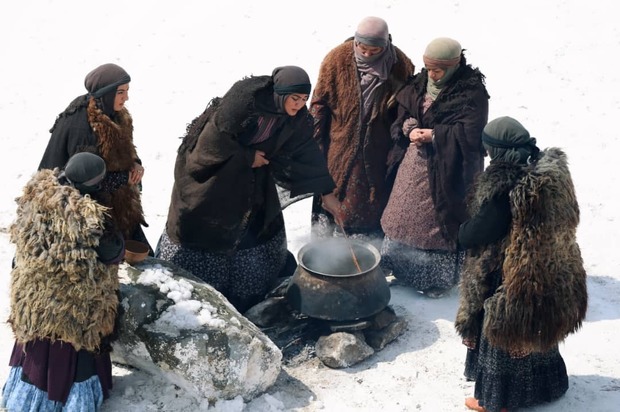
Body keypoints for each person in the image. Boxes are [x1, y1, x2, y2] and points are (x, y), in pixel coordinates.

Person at [156, 65, 343, 313]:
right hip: (213, 179)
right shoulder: (243, 104)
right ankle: (207, 298)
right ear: (280, 94)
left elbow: (307, 153)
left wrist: (327, 193)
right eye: (294, 98)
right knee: (209, 231)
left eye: (303, 99)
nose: (298, 105)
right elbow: (209, 145)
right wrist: (246, 157)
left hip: (254, 181)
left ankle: (249, 295)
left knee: (254, 230)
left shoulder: (296, 120)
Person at [454, 117, 588, 412]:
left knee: (506, 326)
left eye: (490, 151)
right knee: (537, 328)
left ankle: (498, 400)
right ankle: (546, 385)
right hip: (553, 268)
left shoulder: (507, 186)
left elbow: (480, 231)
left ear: (498, 151)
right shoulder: (550, 172)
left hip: (515, 275)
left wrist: (460, 234)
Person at [1, 152, 124, 411]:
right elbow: (113, 253)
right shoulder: (88, 217)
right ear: (94, 183)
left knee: (37, 348)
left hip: (34, 300)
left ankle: (26, 397)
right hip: (71, 310)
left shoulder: (37, 197)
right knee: (71, 346)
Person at [379, 37, 489, 298]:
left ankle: (434, 278)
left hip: (449, 169)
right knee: (403, 213)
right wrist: (411, 129)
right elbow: (404, 114)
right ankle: (397, 264)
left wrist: (435, 134)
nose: (432, 74)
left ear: (453, 67)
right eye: (428, 68)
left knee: (437, 222)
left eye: (438, 70)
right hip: (414, 164)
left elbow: (471, 133)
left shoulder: (471, 93)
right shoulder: (420, 83)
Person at [309, 16, 415, 249]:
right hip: (338, 148)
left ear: (385, 45)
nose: (366, 55)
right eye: (362, 48)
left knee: (368, 207)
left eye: (374, 50)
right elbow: (319, 104)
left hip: (377, 153)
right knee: (331, 198)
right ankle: (325, 262)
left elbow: (405, 108)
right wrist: (315, 144)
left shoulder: (400, 65)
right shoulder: (336, 60)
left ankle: (364, 262)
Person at [38, 62, 152, 254]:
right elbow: (81, 180)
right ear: (106, 93)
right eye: (121, 92)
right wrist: (124, 179)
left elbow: (123, 149)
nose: (127, 98)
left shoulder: (113, 114)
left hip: (116, 201)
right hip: (77, 209)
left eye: (127, 91)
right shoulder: (84, 128)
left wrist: (134, 163)